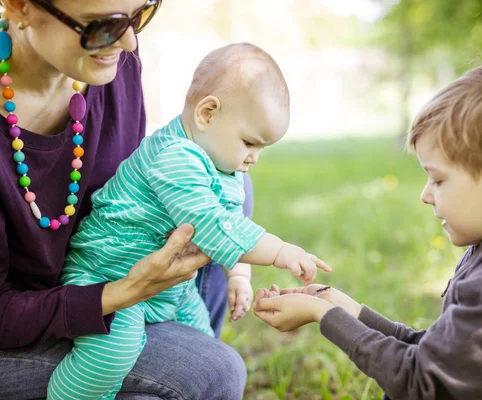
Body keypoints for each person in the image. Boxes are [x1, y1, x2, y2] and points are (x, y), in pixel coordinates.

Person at [0, 1, 250, 398]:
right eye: (103, 25)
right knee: (213, 370)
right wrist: (125, 292)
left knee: (223, 176)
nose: (130, 41)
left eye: (140, 15)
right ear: (19, 6)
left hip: (100, 279)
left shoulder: (112, 63)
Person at [253, 61, 482, 399]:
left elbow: (420, 384)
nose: (425, 194)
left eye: (438, 179)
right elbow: (437, 356)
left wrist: (323, 315)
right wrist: (346, 309)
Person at [46, 42, 331, 400]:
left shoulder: (221, 162)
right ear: (207, 113)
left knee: (206, 350)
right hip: (108, 280)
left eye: (262, 149)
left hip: (167, 288)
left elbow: (229, 218)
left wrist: (239, 275)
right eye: (249, 143)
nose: (254, 158)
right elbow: (213, 226)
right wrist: (280, 251)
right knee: (111, 353)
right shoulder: (176, 157)